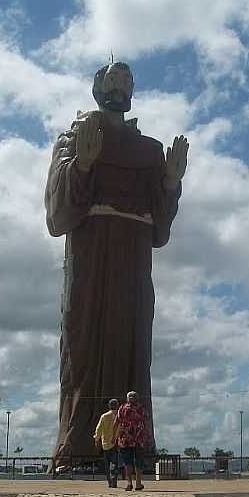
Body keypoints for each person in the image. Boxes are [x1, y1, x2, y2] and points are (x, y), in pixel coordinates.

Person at [45, 61, 188, 468]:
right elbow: (58, 217)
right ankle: (77, 448)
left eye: (126, 81)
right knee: (83, 339)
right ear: (95, 87)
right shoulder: (74, 138)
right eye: (111, 80)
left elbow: (160, 229)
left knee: (133, 344)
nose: (119, 86)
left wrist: (170, 183)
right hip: (91, 250)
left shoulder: (148, 151)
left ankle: (135, 453)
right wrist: (83, 165)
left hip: (134, 253)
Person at [115, 391, 151, 491]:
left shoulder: (122, 408)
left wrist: (114, 437)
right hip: (139, 439)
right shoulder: (141, 408)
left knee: (127, 462)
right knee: (138, 461)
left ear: (127, 398)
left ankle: (129, 483)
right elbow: (147, 422)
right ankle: (138, 483)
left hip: (125, 439)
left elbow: (116, 422)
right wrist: (148, 436)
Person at [94, 398, 120, 488]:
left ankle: (110, 481)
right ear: (117, 405)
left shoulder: (104, 416)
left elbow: (99, 429)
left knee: (107, 463)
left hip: (106, 444)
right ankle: (114, 479)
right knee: (114, 463)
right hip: (117, 443)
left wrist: (96, 440)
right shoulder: (120, 416)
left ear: (109, 406)